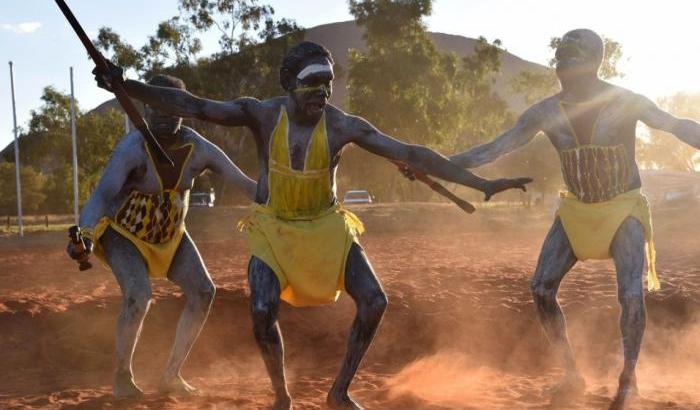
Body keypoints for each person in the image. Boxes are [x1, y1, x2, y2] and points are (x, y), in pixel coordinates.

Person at [92, 41, 531, 409]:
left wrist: (480, 182)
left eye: (327, 84)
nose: (320, 92)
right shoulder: (262, 114)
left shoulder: (342, 126)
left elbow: (414, 152)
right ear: (288, 85)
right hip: (274, 229)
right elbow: (195, 105)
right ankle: (282, 397)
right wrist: (125, 84)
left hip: (327, 228)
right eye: (310, 83)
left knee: (375, 301)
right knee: (262, 311)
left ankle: (338, 392)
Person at [448, 29, 700, 408]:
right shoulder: (545, 113)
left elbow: (676, 124)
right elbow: (494, 149)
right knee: (541, 288)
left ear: (594, 62)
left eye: (572, 58)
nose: (563, 66)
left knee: (631, 294)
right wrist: (437, 164)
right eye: (560, 58)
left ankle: (628, 379)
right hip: (576, 211)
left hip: (622, 209)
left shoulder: (626, 102)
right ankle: (571, 373)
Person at [67, 74, 257, 398]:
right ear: (144, 108)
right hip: (123, 234)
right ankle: (123, 376)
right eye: (157, 106)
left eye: (172, 107)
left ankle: (171, 376)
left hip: (171, 236)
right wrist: (83, 233)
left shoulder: (198, 148)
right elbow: (102, 195)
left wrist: (289, 199)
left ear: (184, 109)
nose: (165, 115)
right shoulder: (132, 149)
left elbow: (244, 183)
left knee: (203, 292)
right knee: (139, 296)